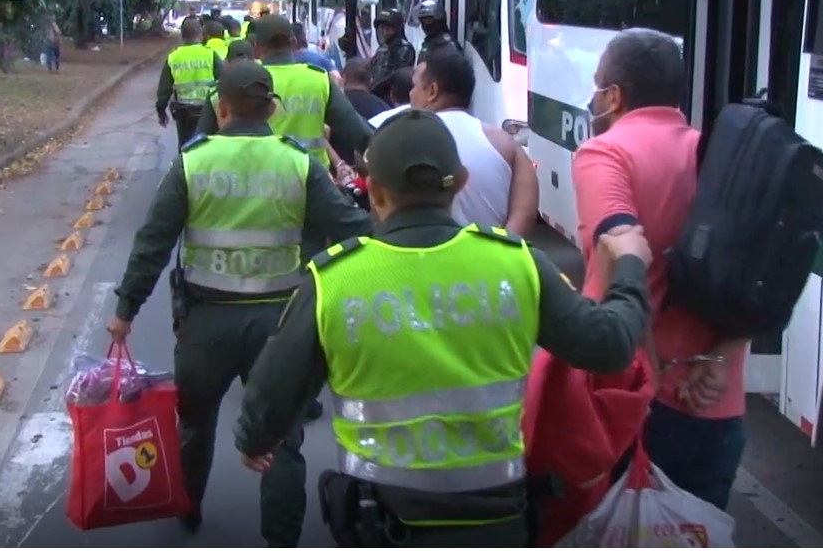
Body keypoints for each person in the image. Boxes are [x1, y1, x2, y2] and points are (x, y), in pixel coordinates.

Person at [233, 108, 653, 547]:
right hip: (497, 526)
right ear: (462, 182)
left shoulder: (334, 280)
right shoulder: (517, 265)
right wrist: (629, 264)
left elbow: (270, 394)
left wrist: (254, 441)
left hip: (381, 526)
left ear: (374, 193)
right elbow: (610, 346)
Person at [108, 59, 373, 543]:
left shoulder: (194, 161)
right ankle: (281, 537)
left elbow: (154, 241)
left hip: (205, 324)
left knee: (195, 425)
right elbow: (351, 228)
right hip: (280, 324)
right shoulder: (296, 162)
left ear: (221, 108)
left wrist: (127, 308)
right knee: (283, 437)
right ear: (271, 109)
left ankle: (188, 510)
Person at [574, 28, 749, 512]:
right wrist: (719, 356)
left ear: (613, 95)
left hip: (629, 400)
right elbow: (764, 270)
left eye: (597, 83)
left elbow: (622, 249)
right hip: (717, 403)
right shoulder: (721, 157)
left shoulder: (605, 153)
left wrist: (660, 373)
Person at [196, 14, 372, 173]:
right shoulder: (319, 81)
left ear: (256, 48)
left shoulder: (235, 84)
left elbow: (199, 147)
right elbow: (359, 133)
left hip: (255, 182)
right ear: (293, 42)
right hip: (311, 184)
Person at [411, 47, 539, 236]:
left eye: (413, 86)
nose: (410, 94)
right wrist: (500, 252)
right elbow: (525, 212)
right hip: (489, 260)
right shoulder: (505, 144)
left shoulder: (401, 139)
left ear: (432, 91)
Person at [158, 16, 222, 150]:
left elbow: (164, 89)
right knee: (209, 146)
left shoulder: (173, 57)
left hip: (183, 112)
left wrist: (161, 111)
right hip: (208, 110)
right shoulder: (210, 54)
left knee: (185, 145)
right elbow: (225, 80)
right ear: (201, 34)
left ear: (182, 36)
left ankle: (185, 168)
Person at [366, 8, 416, 98]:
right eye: (382, 28)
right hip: (376, 95)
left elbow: (395, 75)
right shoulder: (382, 48)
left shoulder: (404, 48)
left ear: (397, 28)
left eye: (388, 28)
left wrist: (374, 89)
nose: (385, 32)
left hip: (392, 97)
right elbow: (372, 67)